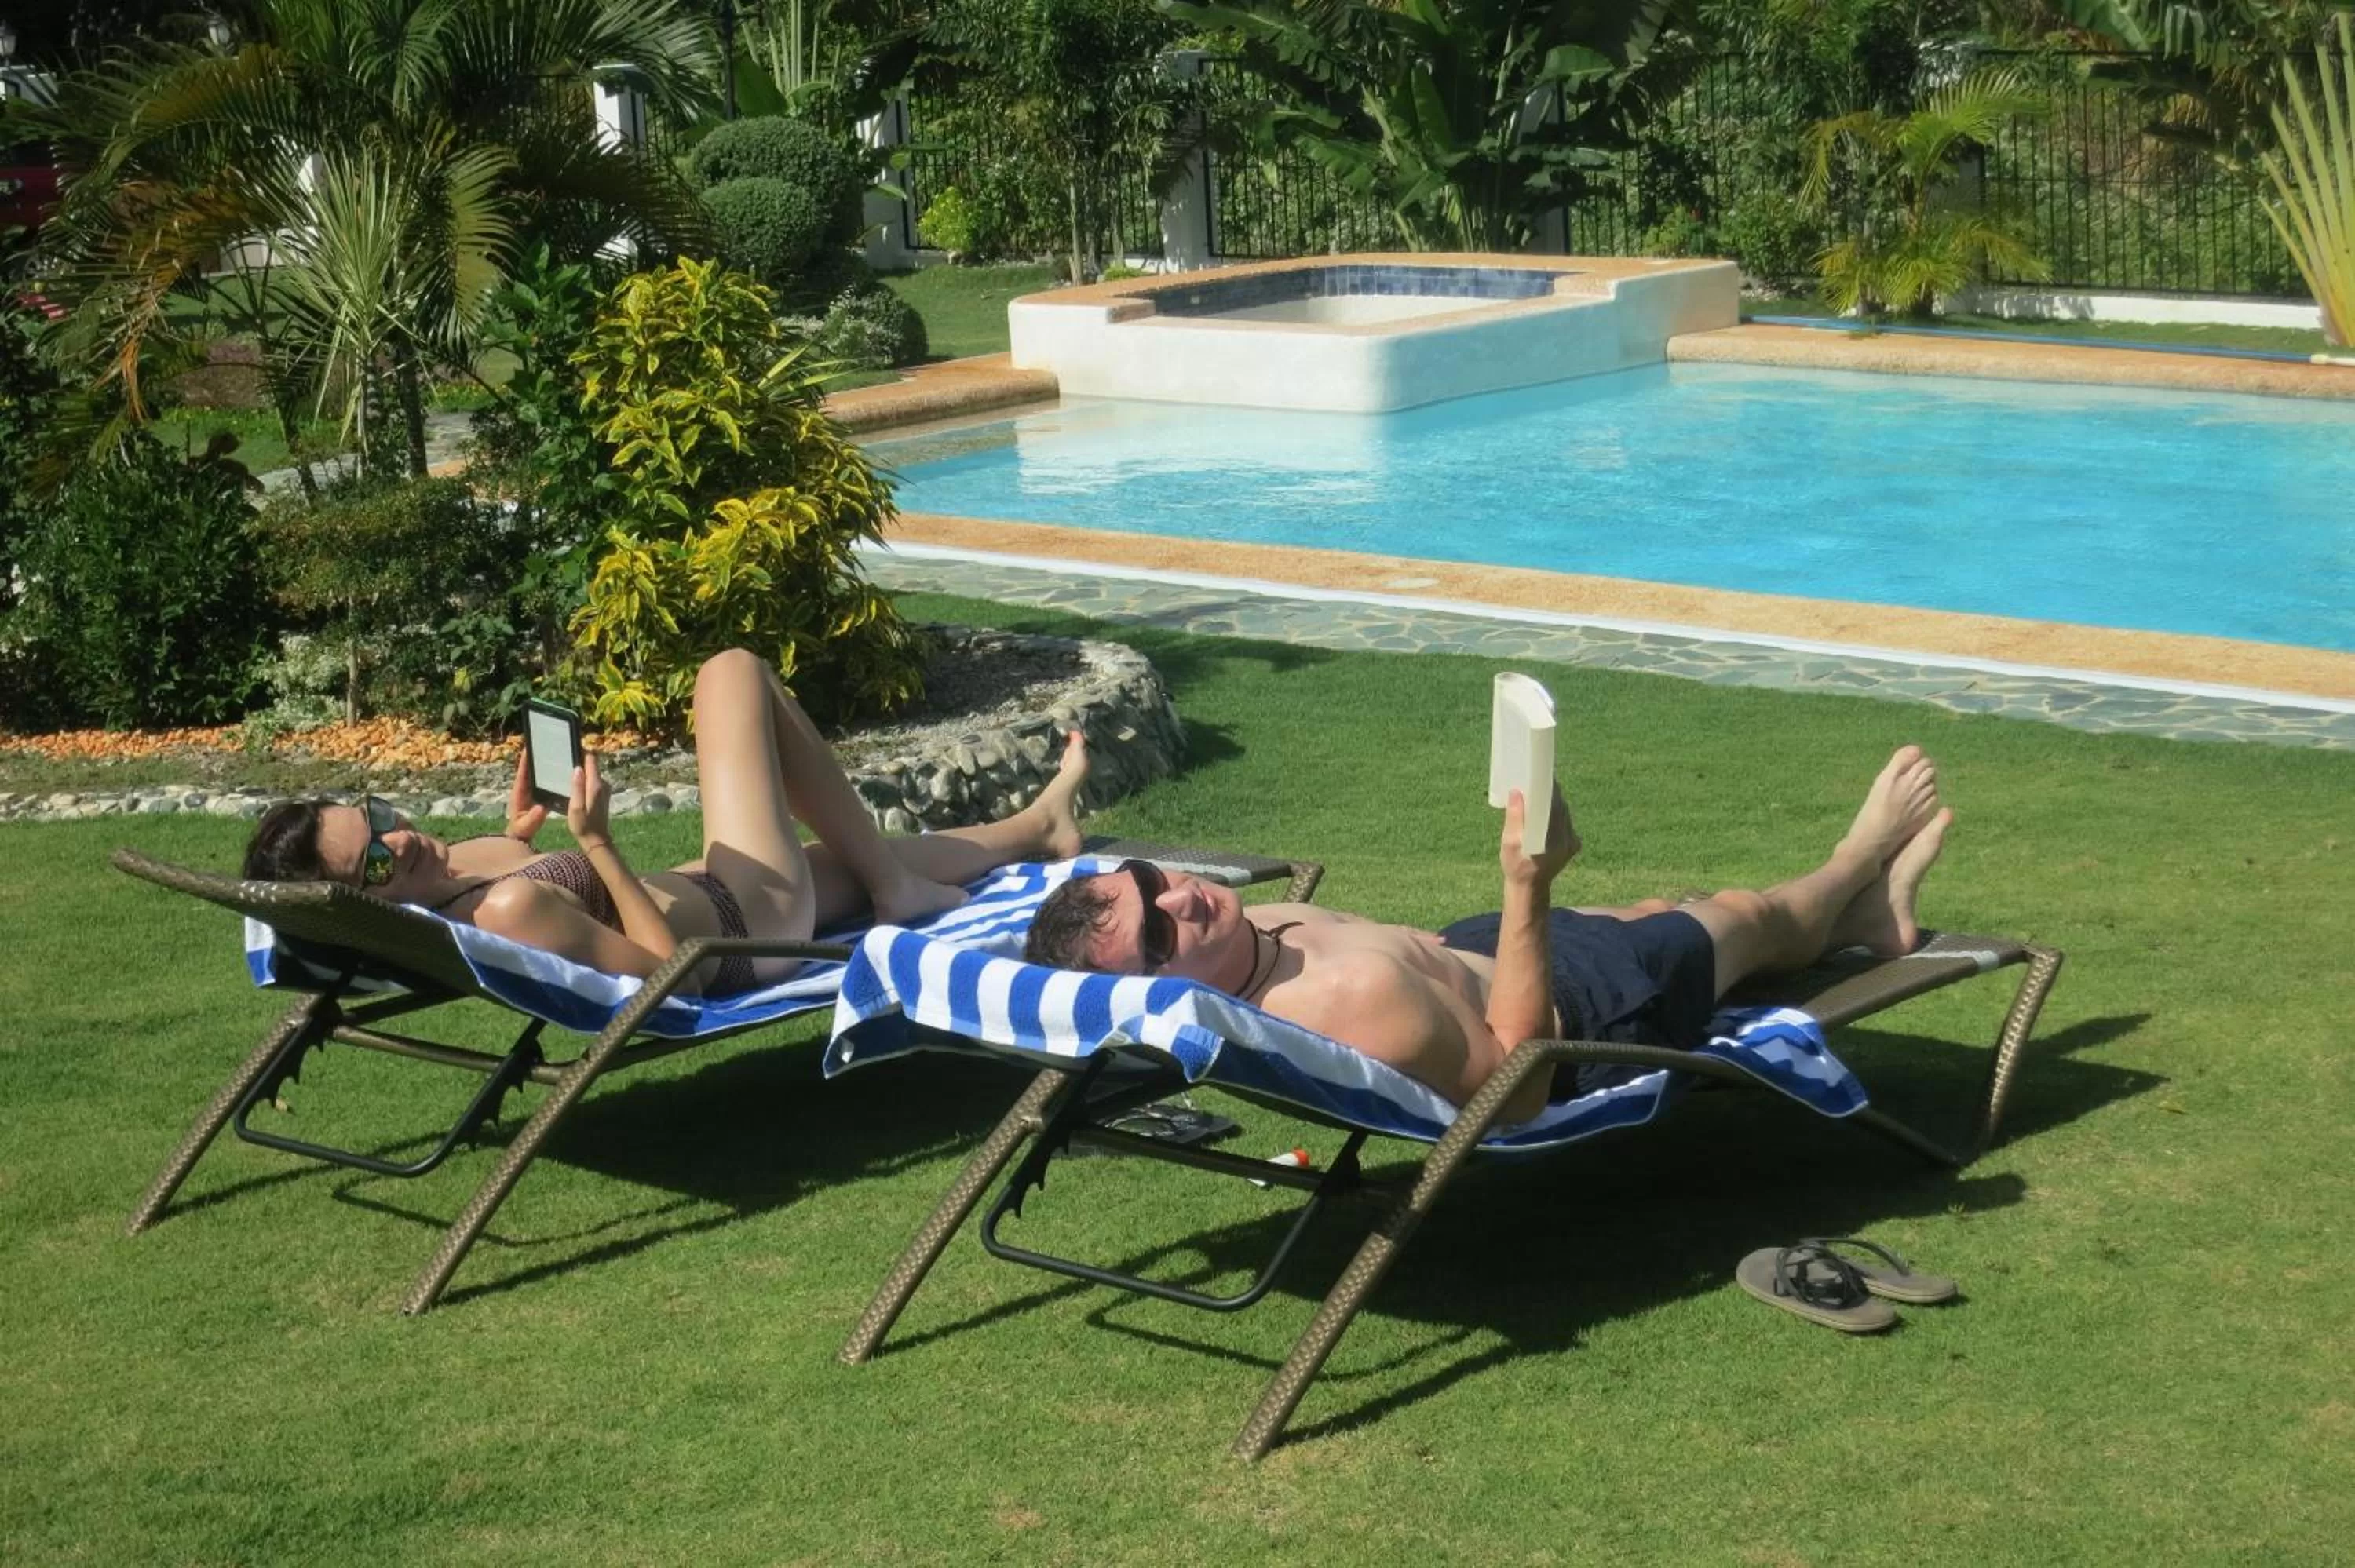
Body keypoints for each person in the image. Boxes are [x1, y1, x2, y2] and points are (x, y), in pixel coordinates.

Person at [1023, 745, 1954, 1127]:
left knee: (1659, 906)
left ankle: (1869, 920)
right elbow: (1518, 1090)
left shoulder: (1243, 938)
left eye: (1150, 880)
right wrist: (1528, 887)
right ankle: (1853, 863)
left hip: (1466, 959)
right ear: (1156, 987)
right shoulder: (1345, 1004)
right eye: (1157, 933)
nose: (1179, 897)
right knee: (1744, 918)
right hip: (1583, 1017)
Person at [244, 649, 1091, 996]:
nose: (401, 840)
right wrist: (598, 845)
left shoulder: (450, 879)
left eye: (377, 819)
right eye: (378, 864)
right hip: (743, 931)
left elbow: (545, 887)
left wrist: (523, 830)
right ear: (369, 907)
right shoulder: (501, 915)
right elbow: (667, 980)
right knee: (733, 673)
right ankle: (897, 886)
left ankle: (1037, 826)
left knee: (851, 854)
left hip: (720, 891)